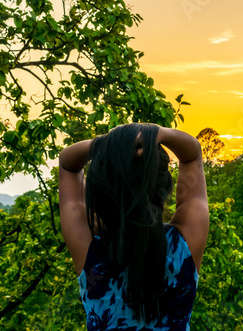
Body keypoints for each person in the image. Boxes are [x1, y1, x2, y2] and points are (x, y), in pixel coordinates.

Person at [58, 123, 209, 330]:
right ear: (164, 187)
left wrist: (110, 145)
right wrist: (156, 132)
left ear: (100, 196)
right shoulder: (184, 248)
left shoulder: (89, 252)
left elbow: (67, 163)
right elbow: (192, 154)